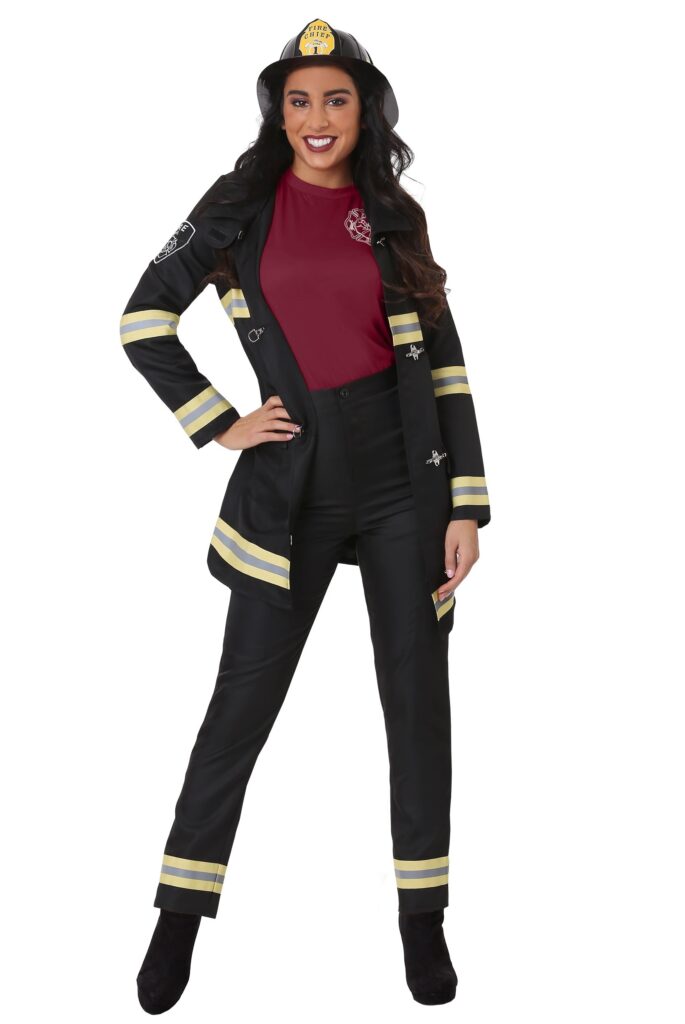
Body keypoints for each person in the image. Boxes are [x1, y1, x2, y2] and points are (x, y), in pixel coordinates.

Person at [121, 18, 491, 1012]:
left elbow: (446, 366)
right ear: (276, 112)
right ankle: (177, 917)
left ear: (364, 111)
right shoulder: (235, 206)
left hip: (405, 480)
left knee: (418, 706)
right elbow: (143, 319)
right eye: (298, 100)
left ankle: (423, 921)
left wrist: (465, 503)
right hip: (290, 486)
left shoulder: (395, 215)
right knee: (238, 708)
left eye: (336, 99)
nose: (317, 118)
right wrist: (220, 423)